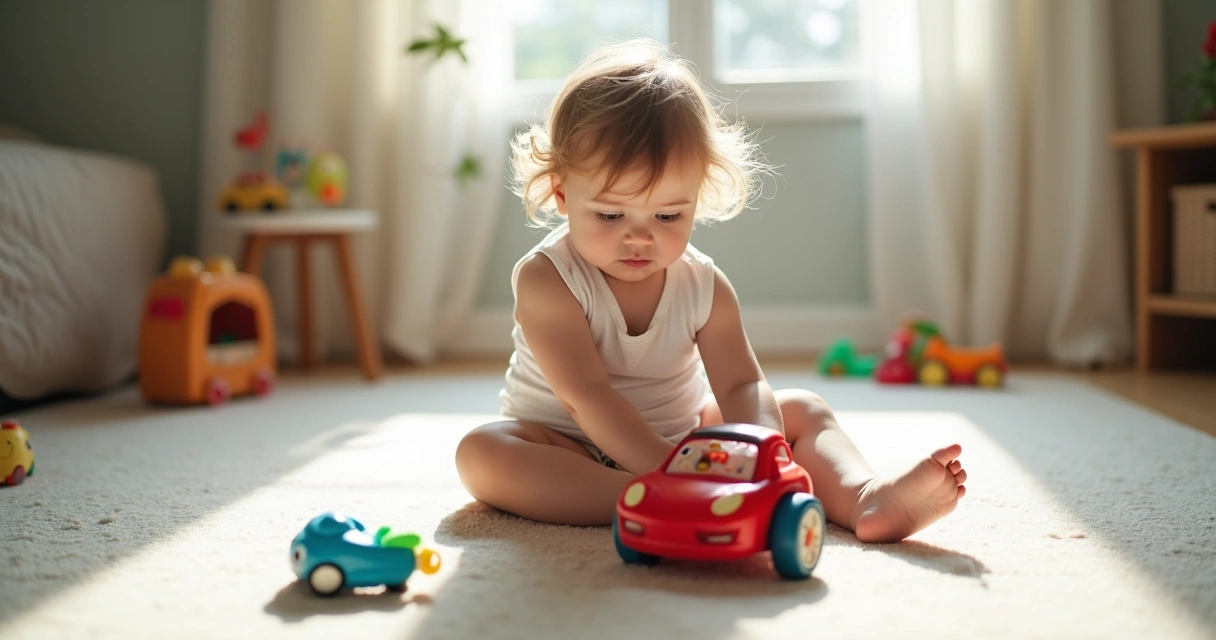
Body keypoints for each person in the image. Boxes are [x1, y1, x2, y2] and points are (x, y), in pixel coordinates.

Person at [455, 39, 965, 543]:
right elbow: (585, 397)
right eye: (611, 215)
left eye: (668, 215)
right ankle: (646, 497)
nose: (640, 236)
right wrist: (671, 470)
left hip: (686, 439)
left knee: (802, 408)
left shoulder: (704, 285)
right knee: (483, 454)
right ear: (562, 194)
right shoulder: (548, 278)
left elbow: (741, 385)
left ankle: (864, 496)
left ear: (698, 197)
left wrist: (764, 455)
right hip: (568, 446)